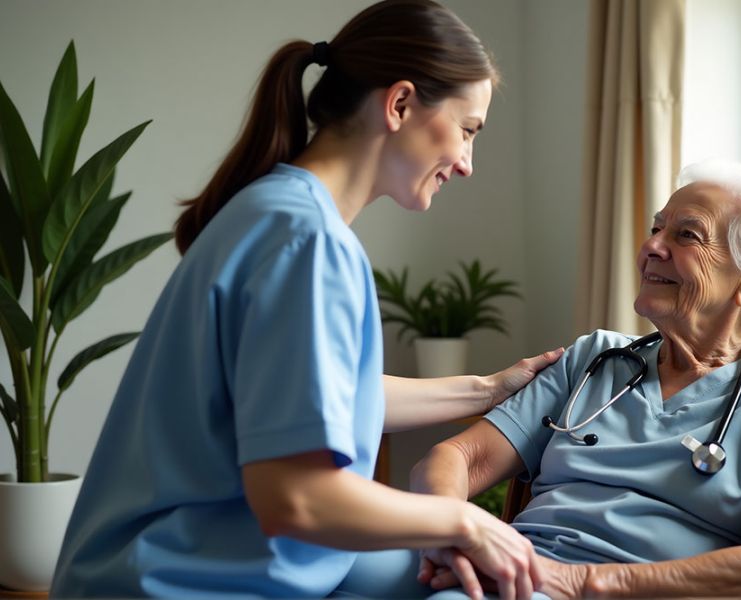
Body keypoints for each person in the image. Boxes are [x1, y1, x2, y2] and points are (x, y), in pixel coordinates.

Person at [50, 1, 561, 598]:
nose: (468, 163)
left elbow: (325, 396)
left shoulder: (274, 211)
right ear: (399, 104)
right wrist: (466, 519)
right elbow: (294, 498)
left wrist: (488, 389)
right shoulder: (306, 243)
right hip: (173, 580)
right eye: (467, 130)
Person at [366, 159, 741, 599]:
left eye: (686, 235)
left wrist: (577, 581)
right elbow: (459, 458)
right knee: (317, 558)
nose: (652, 246)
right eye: (657, 228)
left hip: (605, 589)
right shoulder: (595, 358)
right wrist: (457, 536)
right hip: (515, 569)